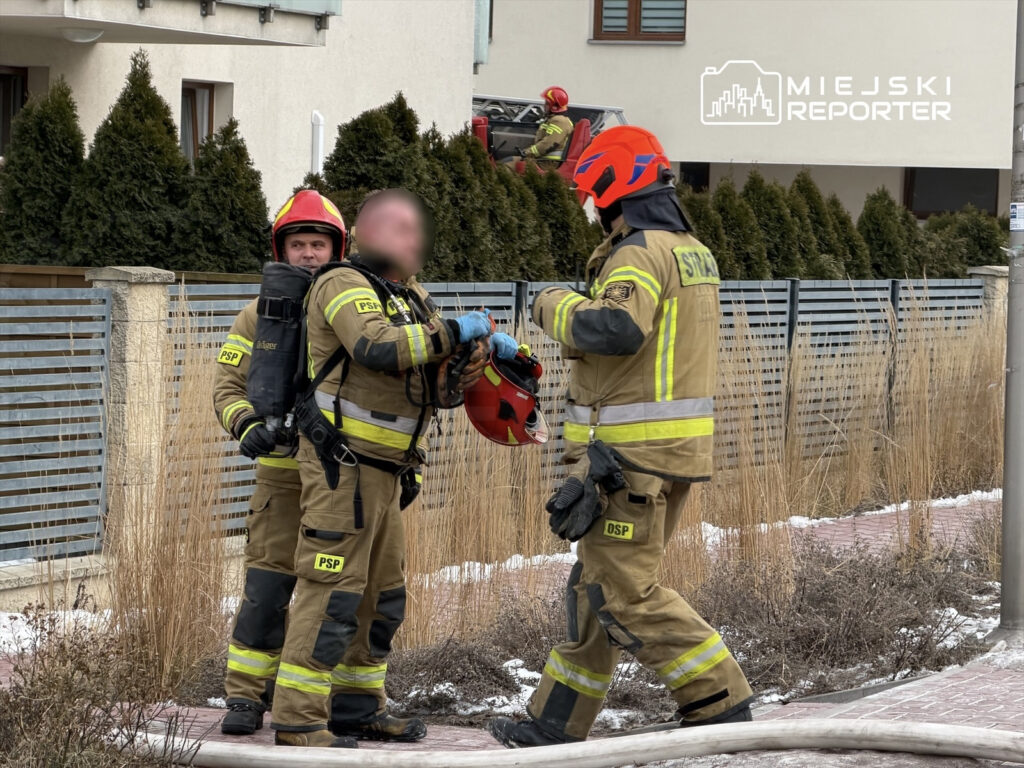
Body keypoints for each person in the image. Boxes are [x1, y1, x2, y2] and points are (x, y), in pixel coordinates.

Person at [489, 126, 754, 748]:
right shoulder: (691, 250)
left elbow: (615, 328)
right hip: (667, 452)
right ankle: (556, 722)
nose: (592, 210)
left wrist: (551, 303)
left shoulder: (638, 253)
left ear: (614, 190)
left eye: (592, 197)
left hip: (629, 457)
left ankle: (721, 697)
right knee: (595, 589)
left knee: (622, 592)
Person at [269, 188, 519, 748]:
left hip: (388, 471)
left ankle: (357, 708)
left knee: (381, 598)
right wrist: (453, 332)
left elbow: (433, 376)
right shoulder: (342, 283)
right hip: (341, 467)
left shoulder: (409, 294)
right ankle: (299, 721)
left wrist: (475, 355)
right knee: (331, 591)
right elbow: (376, 347)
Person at [213, 189, 347, 736]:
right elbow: (227, 386)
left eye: (318, 244)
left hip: (342, 482)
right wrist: (246, 424)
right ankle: (245, 698)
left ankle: (337, 701)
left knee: (336, 595)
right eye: (299, 244)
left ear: (337, 250)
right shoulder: (256, 316)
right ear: (281, 250)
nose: (309, 254)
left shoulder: (353, 311)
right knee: (267, 589)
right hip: (282, 476)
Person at [504, 86, 574, 171]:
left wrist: (527, 153)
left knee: (507, 165)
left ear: (554, 106)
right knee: (508, 160)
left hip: (547, 164)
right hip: (542, 160)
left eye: (547, 103)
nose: (544, 106)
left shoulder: (560, 121)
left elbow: (549, 144)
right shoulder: (553, 120)